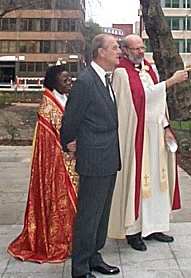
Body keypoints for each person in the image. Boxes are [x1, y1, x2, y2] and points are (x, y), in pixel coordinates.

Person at [108, 34, 189, 251]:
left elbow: (158, 102)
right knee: (138, 180)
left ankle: (154, 226)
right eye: (135, 49)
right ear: (125, 50)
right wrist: (170, 81)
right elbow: (139, 99)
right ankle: (133, 231)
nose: (140, 52)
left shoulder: (150, 69)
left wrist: (165, 127)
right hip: (137, 135)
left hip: (155, 133)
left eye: (142, 47)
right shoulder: (121, 73)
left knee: (156, 180)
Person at [60, 34, 122, 278]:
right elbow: (71, 119)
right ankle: (80, 268)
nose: (119, 51)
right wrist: (69, 143)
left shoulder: (105, 79)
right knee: (88, 215)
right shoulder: (86, 81)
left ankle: (94, 256)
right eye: (115, 47)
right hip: (94, 159)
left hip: (108, 157)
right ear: (100, 52)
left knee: (101, 214)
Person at [7, 65, 78, 263]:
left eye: (70, 78)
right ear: (54, 82)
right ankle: (57, 242)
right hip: (57, 166)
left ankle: (72, 241)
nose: (69, 82)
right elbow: (50, 143)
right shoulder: (48, 107)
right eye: (65, 80)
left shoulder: (63, 99)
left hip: (69, 162)